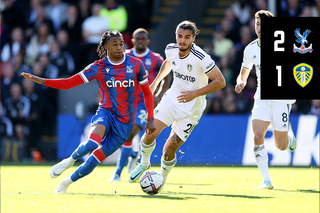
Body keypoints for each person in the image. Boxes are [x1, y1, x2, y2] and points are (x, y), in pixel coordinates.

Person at [21, 30, 156, 193]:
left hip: (125, 123)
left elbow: (147, 93)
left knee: (93, 161)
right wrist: (42, 80)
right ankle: (69, 161)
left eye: (121, 44)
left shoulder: (135, 64)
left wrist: (150, 118)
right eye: (115, 44)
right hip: (106, 112)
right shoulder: (98, 67)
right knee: (92, 143)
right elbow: (69, 83)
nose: (120, 47)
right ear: (106, 46)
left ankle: (65, 183)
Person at [129, 20, 226, 184]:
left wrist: (194, 93)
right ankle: (144, 163)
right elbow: (169, 63)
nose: (182, 40)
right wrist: (155, 83)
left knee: (169, 150)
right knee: (149, 134)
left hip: (192, 110)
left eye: (187, 37)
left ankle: (161, 179)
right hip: (172, 100)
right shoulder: (171, 49)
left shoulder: (201, 58)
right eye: (179, 36)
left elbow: (220, 81)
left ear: (193, 38)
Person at [234, 10, 296, 190]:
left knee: (281, 146)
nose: (260, 27)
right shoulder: (250, 49)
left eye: (263, 24)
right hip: (261, 95)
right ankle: (266, 179)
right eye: (257, 23)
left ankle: (289, 135)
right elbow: (243, 74)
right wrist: (241, 83)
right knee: (257, 135)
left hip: (280, 97)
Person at [108, 28, 170, 182]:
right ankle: (133, 154)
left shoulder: (155, 58)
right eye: (138, 39)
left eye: (143, 39)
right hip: (126, 101)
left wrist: (159, 95)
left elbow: (167, 76)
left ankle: (117, 173)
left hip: (144, 101)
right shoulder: (125, 56)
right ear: (133, 41)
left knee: (130, 133)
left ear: (147, 41)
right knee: (122, 135)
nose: (141, 41)